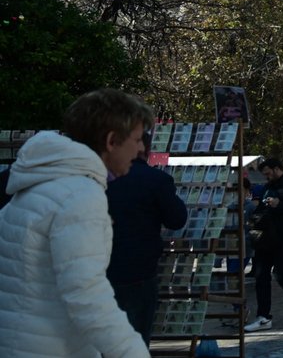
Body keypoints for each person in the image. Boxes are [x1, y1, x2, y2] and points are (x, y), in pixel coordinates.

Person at [0, 88, 153, 357]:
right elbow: (88, 296)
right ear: (111, 140)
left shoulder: (41, 183)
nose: (141, 148)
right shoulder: (80, 196)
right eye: (137, 139)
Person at [107, 146, 188, 344]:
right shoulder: (155, 179)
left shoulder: (96, 177)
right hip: (140, 270)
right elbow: (176, 219)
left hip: (101, 269)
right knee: (136, 339)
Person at [245, 157, 283, 333]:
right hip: (266, 238)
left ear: (277, 168)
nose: (266, 177)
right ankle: (263, 316)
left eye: (268, 173)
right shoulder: (268, 187)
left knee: (280, 274)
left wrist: (280, 204)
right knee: (261, 275)